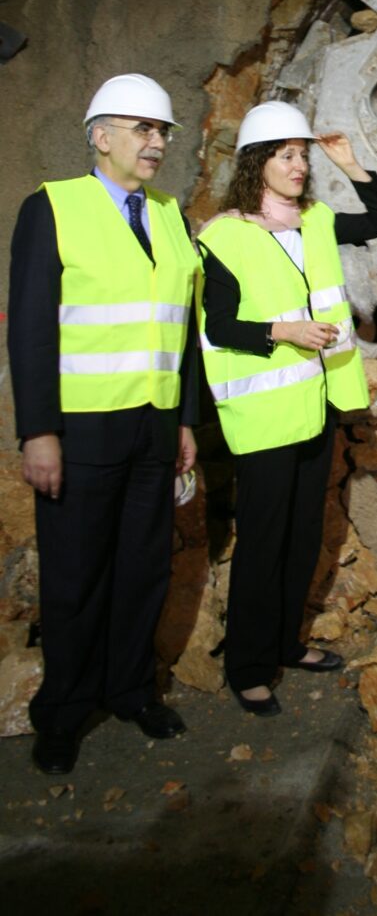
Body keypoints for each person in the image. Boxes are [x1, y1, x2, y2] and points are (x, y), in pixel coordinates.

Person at [7, 73, 200, 775]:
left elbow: (180, 331)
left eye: (163, 133)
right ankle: (61, 712)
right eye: (143, 130)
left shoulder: (171, 215)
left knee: (143, 569)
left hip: (152, 428)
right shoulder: (53, 208)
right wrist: (39, 431)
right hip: (81, 431)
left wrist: (183, 421)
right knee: (75, 575)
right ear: (100, 136)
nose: (157, 143)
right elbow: (29, 330)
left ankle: (129, 690)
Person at [197, 101, 377, 716]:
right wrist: (283, 331)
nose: (300, 167)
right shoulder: (223, 237)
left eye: (304, 156)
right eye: (288, 155)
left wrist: (352, 163)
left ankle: (287, 645)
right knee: (262, 542)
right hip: (262, 419)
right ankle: (249, 667)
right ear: (258, 163)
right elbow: (221, 325)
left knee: (304, 534)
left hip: (317, 405)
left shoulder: (314, 221)